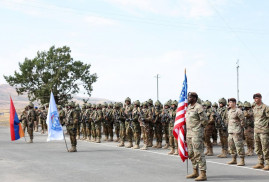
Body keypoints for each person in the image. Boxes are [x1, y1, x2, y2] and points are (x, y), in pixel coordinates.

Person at [186, 92, 208, 181]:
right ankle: (195, 172)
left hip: (196, 134)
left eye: (190, 97)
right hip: (189, 134)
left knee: (198, 153)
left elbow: (205, 121)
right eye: (188, 97)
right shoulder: (188, 107)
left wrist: (198, 128)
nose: (188, 98)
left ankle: (203, 174)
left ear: (195, 98)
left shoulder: (198, 107)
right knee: (191, 153)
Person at [252, 93, 269, 170]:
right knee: (258, 148)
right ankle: (260, 163)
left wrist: (266, 126)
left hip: (264, 131)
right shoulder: (254, 108)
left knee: (265, 148)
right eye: (255, 98)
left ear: (261, 98)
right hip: (256, 130)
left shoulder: (265, 107)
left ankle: (268, 163)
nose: (256, 99)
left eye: (257, 98)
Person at [227, 98, 245, 166]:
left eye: (230, 102)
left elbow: (243, 120)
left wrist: (239, 128)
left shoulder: (238, 111)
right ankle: (234, 159)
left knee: (239, 146)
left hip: (237, 132)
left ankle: (242, 160)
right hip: (230, 131)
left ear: (234, 103)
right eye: (229, 102)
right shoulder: (229, 111)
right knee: (231, 146)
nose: (229, 103)